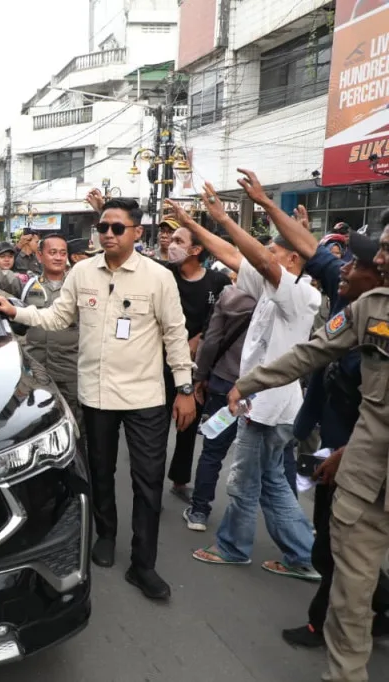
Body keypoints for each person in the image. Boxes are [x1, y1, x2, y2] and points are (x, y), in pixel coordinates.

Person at [0, 197, 195, 601]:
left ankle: (143, 564)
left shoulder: (158, 277)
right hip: (96, 395)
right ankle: (106, 535)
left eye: (117, 228)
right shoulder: (82, 273)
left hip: (145, 396)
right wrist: (16, 311)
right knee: (100, 472)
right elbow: (57, 317)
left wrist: (184, 387)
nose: (108, 234)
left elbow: (175, 333)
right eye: (103, 227)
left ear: (137, 232)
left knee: (148, 481)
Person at [226, 273, 389, 682]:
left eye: (387, 249)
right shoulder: (371, 307)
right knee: (350, 598)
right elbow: (310, 353)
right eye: (383, 248)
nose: (380, 258)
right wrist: (249, 383)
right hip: (366, 481)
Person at [166, 170, 320, 580]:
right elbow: (234, 255)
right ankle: (303, 555)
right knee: (271, 483)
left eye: (273, 250)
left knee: (244, 483)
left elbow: (258, 259)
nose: (263, 255)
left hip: (267, 407)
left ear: (292, 259)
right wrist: (196, 222)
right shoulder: (273, 287)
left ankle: (235, 547)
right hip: (261, 404)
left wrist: (227, 217)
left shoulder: (299, 293)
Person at [261, 208, 389, 647]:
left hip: (360, 462)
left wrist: (345, 456)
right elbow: (309, 251)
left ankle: (329, 625)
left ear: (379, 276)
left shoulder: (373, 319)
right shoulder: (351, 299)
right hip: (329, 447)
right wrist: (264, 204)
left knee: (341, 549)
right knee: (333, 546)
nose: (344, 267)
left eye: (358, 262)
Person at [0, 232, 84, 443]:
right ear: (39, 255)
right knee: (32, 424)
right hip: (34, 370)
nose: (58, 257)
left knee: (75, 427)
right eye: (52, 252)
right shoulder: (27, 283)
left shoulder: (79, 286)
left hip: (70, 370)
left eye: (63, 253)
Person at [162, 225, 231, 503]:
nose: (171, 245)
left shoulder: (218, 282)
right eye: (171, 239)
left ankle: (180, 480)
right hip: (162, 362)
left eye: (178, 240)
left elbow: (223, 319)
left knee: (187, 425)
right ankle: (149, 486)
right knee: (155, 426)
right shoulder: (164, 275)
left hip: (197, 366)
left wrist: (199, 338)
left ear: (196, 249)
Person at [183, 282, 257, 531]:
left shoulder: (230, 295)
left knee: (213, 450)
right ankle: (246, 524)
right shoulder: (286, 296)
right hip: (264, 388)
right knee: (260, 458)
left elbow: (212, 339)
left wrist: (200, 376)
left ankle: (199, 511)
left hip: (225, 384)